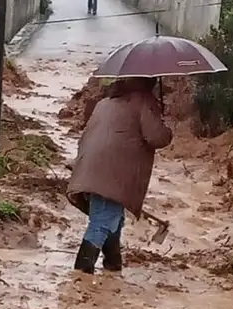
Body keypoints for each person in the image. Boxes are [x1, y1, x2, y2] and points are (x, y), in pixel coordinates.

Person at [66, 76, 173, 274]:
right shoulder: (144, 101)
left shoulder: (105, 102)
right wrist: (166, 128)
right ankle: (80, 274)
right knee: (102, 222)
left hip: (89, 165)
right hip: (114, 172)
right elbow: (156, 137)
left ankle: (113, 267)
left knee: (112, 218)